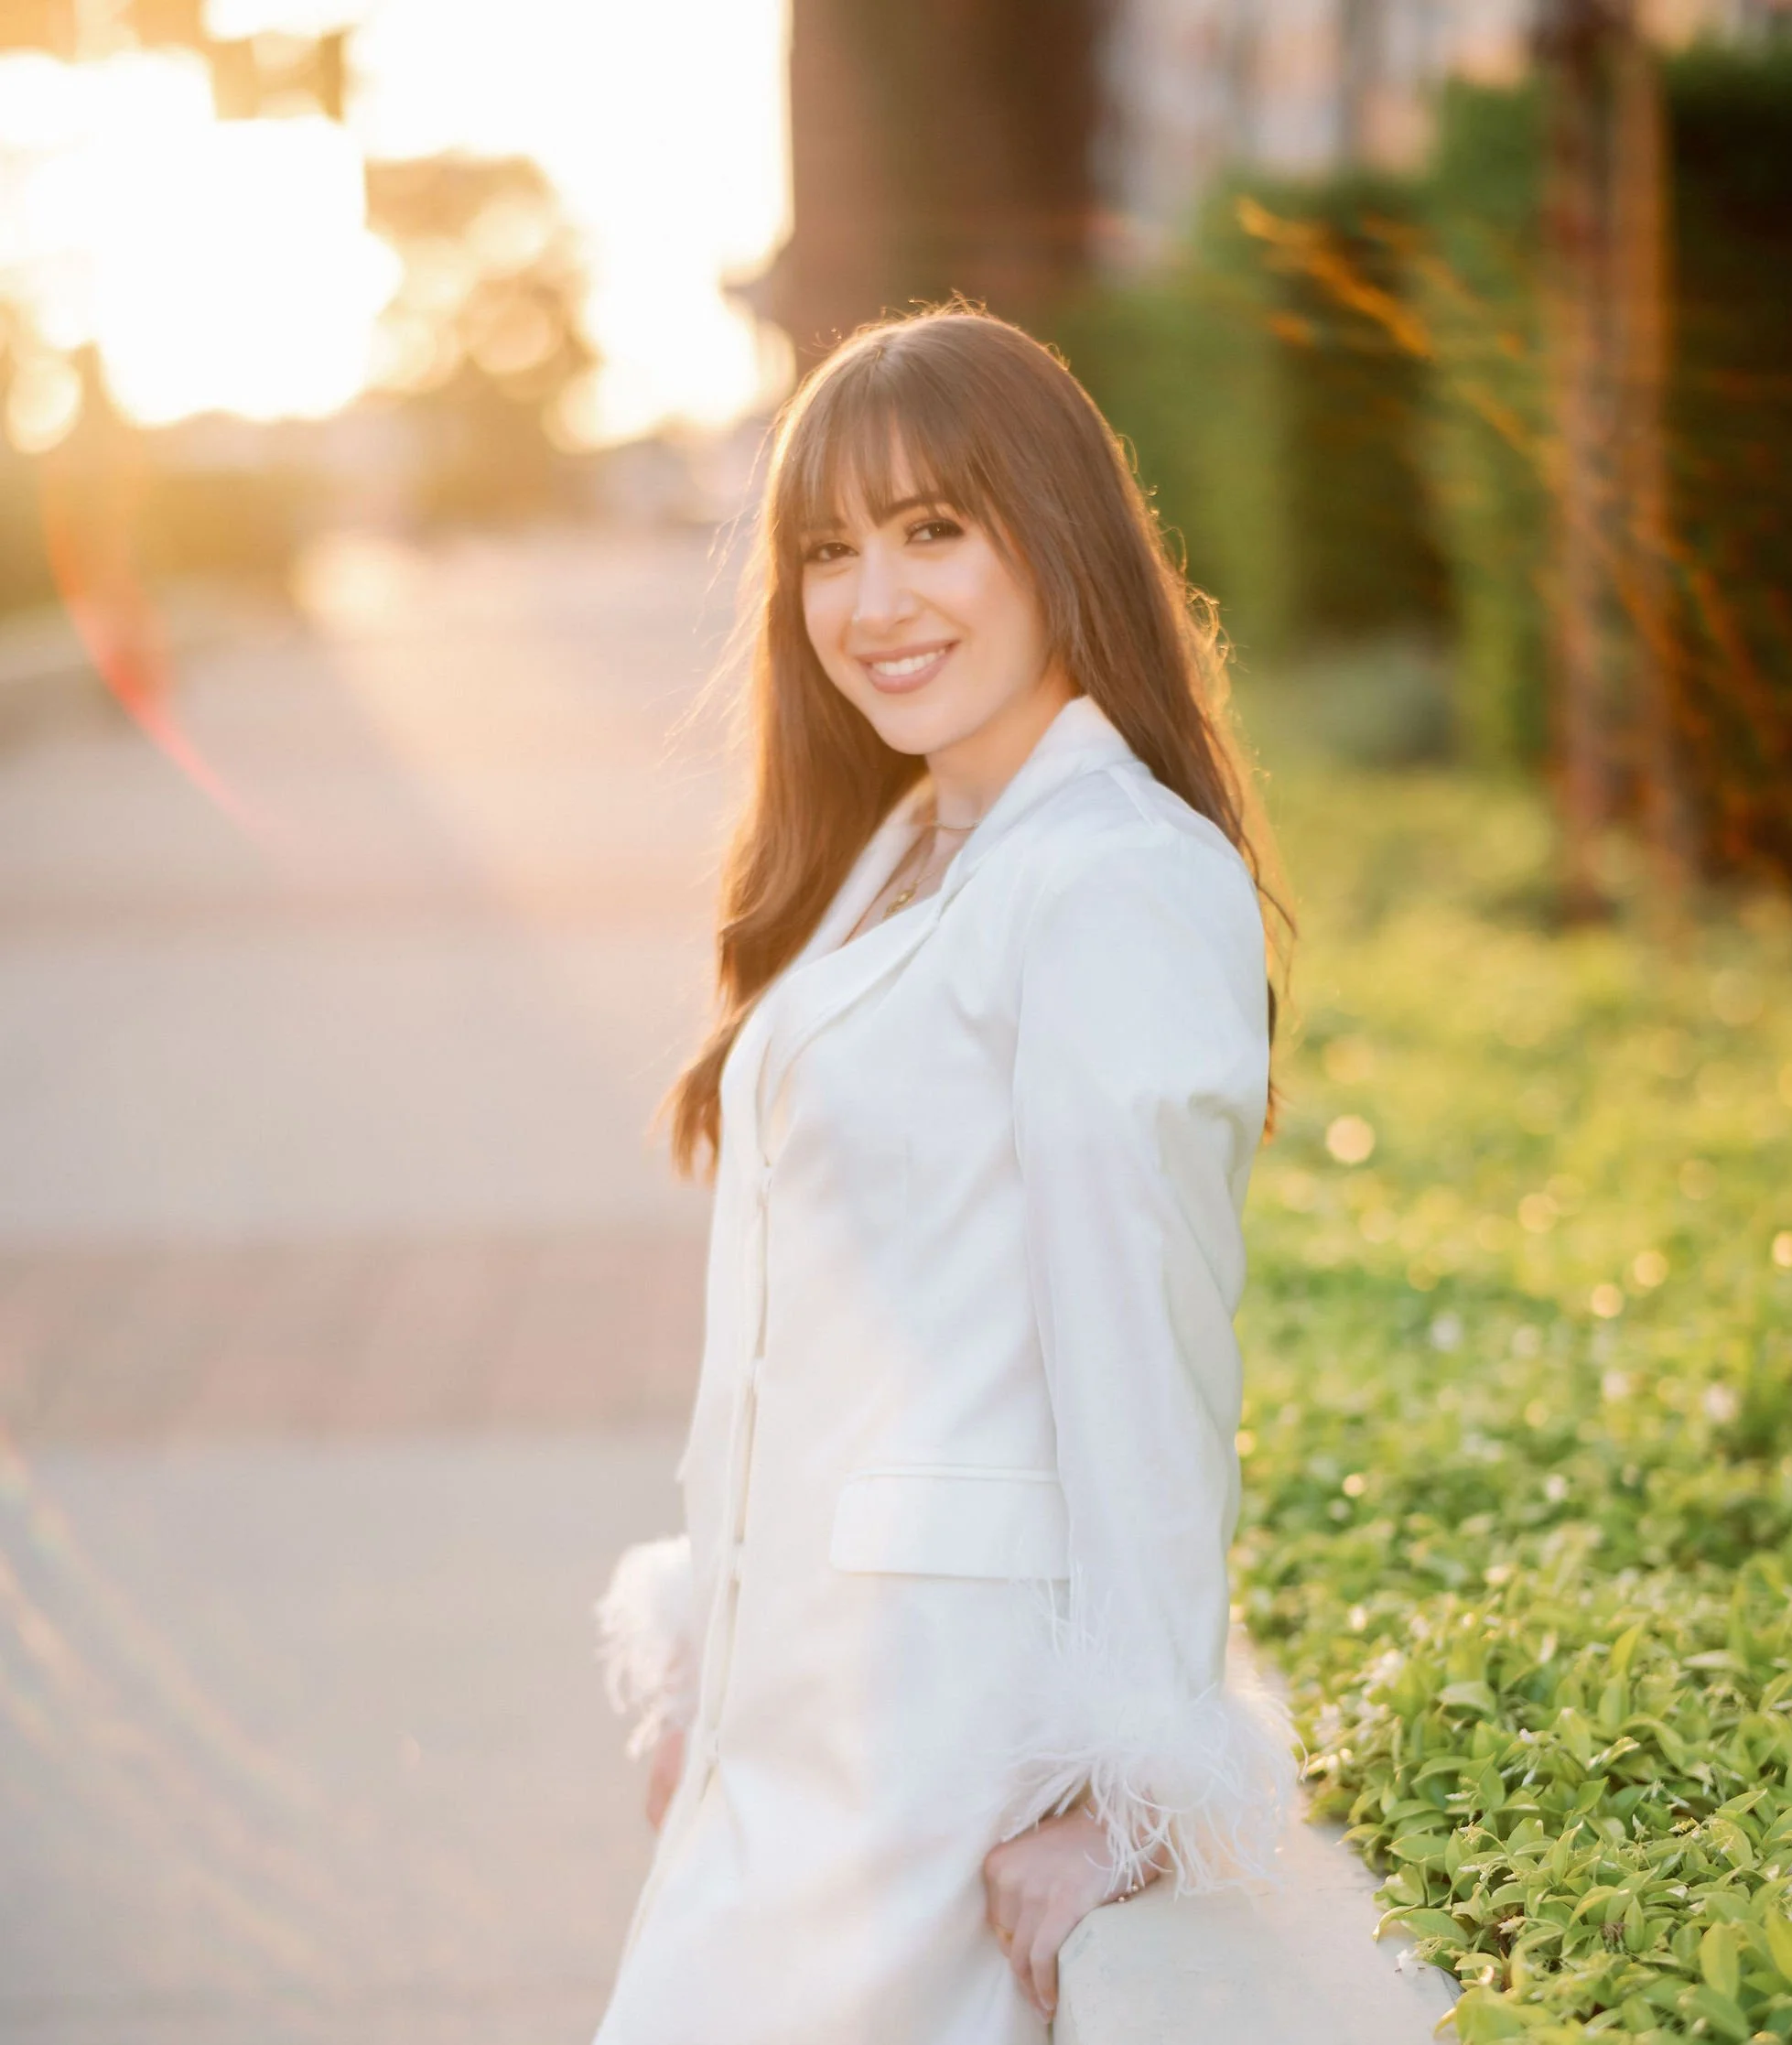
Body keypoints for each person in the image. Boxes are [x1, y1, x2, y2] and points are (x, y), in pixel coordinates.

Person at [589, 303, 1299, 2045]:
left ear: (1051, 534)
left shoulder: (1113, 877)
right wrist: (712, 1658)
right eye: (828, 549)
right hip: (793, 1733)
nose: (873, 600)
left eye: (932, 530)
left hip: (940, 1760)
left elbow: (1145, 1348)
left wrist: (1122, 1785)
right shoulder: (911, 842)